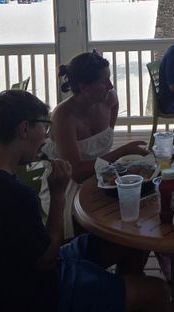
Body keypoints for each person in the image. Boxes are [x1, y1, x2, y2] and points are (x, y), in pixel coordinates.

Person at [0, 90, 170, 312]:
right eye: (44, 127)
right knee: (158, 292)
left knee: (129, 242)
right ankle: (125, 297)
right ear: (24, 129)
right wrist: (58, 195)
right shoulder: (14, 195)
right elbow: (47, 260)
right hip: (37, 293)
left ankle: (118, 298)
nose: (47, 137)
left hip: (12, 274)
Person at [39, 51, 147, 239]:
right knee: (127, 223)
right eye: (104, 81)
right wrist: (122, 152)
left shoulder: (110, 99)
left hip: (101, 176)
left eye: (110, 79)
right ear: (83, 87)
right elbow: (77, 173)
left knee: (143, 203)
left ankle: (129, 265)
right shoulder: (63, 117)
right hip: (66, 186)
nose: (111, 86)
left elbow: (107, 136)